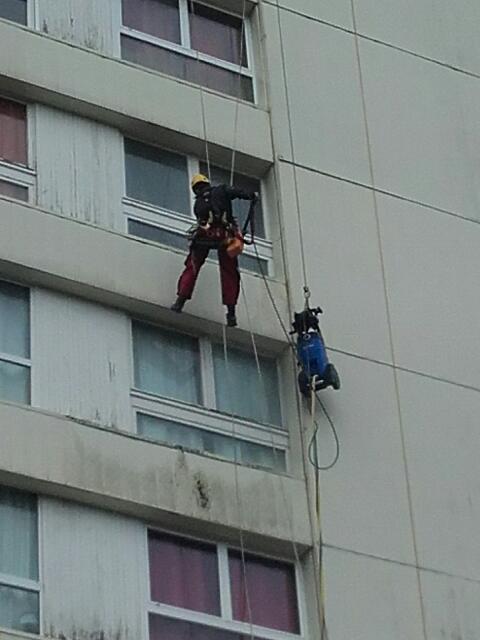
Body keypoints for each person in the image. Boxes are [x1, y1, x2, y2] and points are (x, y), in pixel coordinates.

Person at [171, 173, 256, 327]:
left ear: (195, 189)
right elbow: (237, 193)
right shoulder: (221, 190)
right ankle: (231, 313)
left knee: (192, 267)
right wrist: (250, 195)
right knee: (229, 272)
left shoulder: (197, 204)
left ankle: (180, 301)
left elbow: (202, 221)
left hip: (203, 238)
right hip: (225, 237)